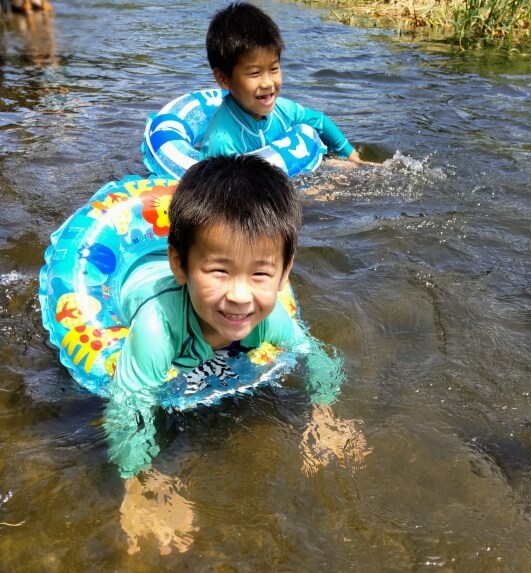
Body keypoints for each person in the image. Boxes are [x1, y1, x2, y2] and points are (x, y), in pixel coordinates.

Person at [105, 155, 370, 554]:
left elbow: (314, 353)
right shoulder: (157, 328)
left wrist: (324, 413)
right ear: (180, 264)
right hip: (134, 281)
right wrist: (139, 479)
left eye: (260, 273)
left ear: (284, 272)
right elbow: (129, 405)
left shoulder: (268, 318)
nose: (240, 296)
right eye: (219, 271)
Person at [199, 1, 366, 164]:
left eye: (274, 69)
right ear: (223, 79)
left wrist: (353, 158)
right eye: (254, 73)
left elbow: (320, 122)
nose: (267, 83)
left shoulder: (281, 110)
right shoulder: (222, 144)